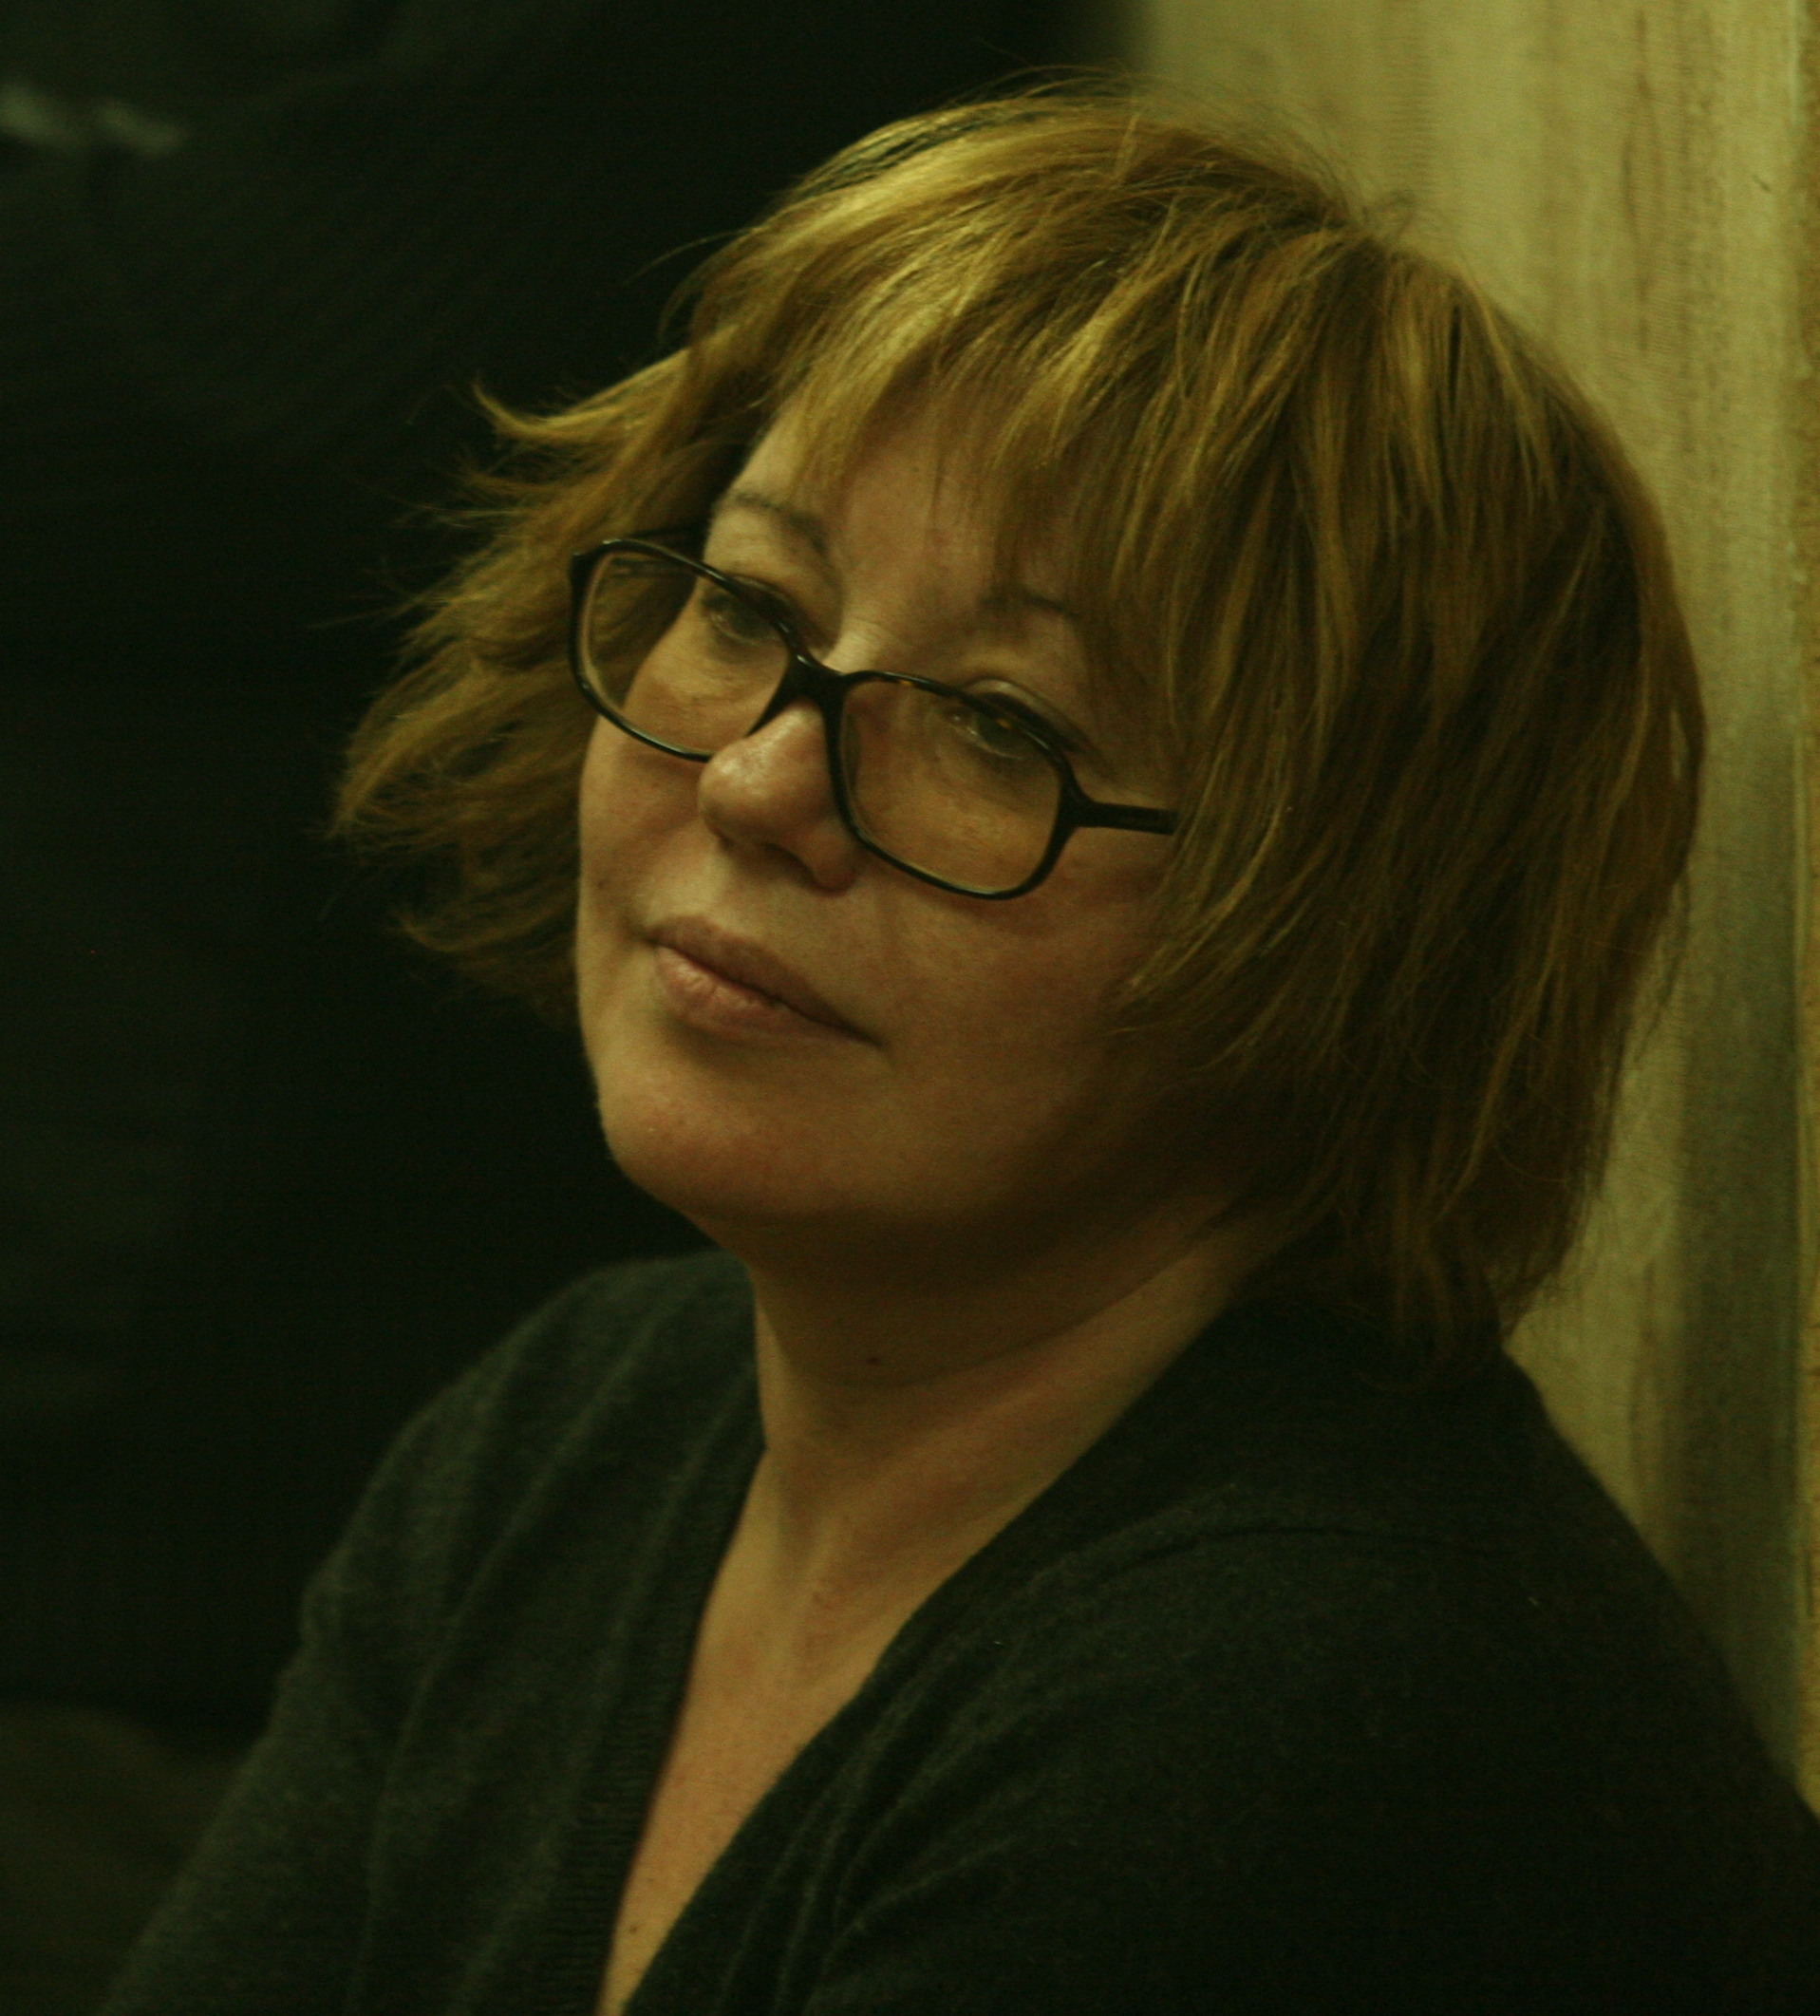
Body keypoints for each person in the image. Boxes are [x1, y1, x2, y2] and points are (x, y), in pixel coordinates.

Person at [98, 82, 1820, 2016]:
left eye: (1004, 727)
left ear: (1355, 936)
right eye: (752, 606)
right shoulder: (580, 1424)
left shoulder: (1301, 1702)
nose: (759, 782)